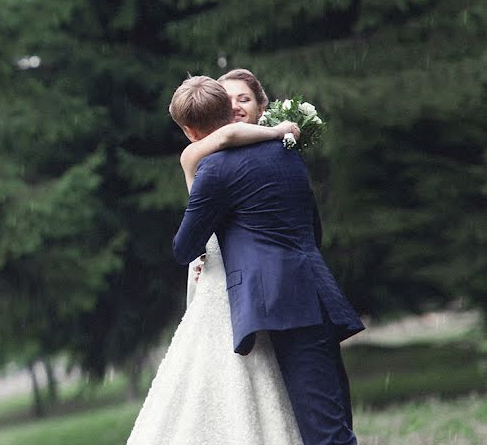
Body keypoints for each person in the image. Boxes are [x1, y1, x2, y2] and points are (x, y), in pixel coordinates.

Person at [171, 75, 364, 444]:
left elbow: (184, 248)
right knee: (330, 417)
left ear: (189, 129)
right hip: (312, 288)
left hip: (279, 303)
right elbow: (312, 226)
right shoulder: (287, 151)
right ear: (228, 111)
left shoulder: (214, 168)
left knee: (324, 433)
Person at [127, 75, 305, 444]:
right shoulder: (214, 150)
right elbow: (226, 136)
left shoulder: (194, 153)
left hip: (217, 263)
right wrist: (279, 131)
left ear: (188, 130)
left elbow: (225, 137)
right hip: (224, 264)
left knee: (210, 361)